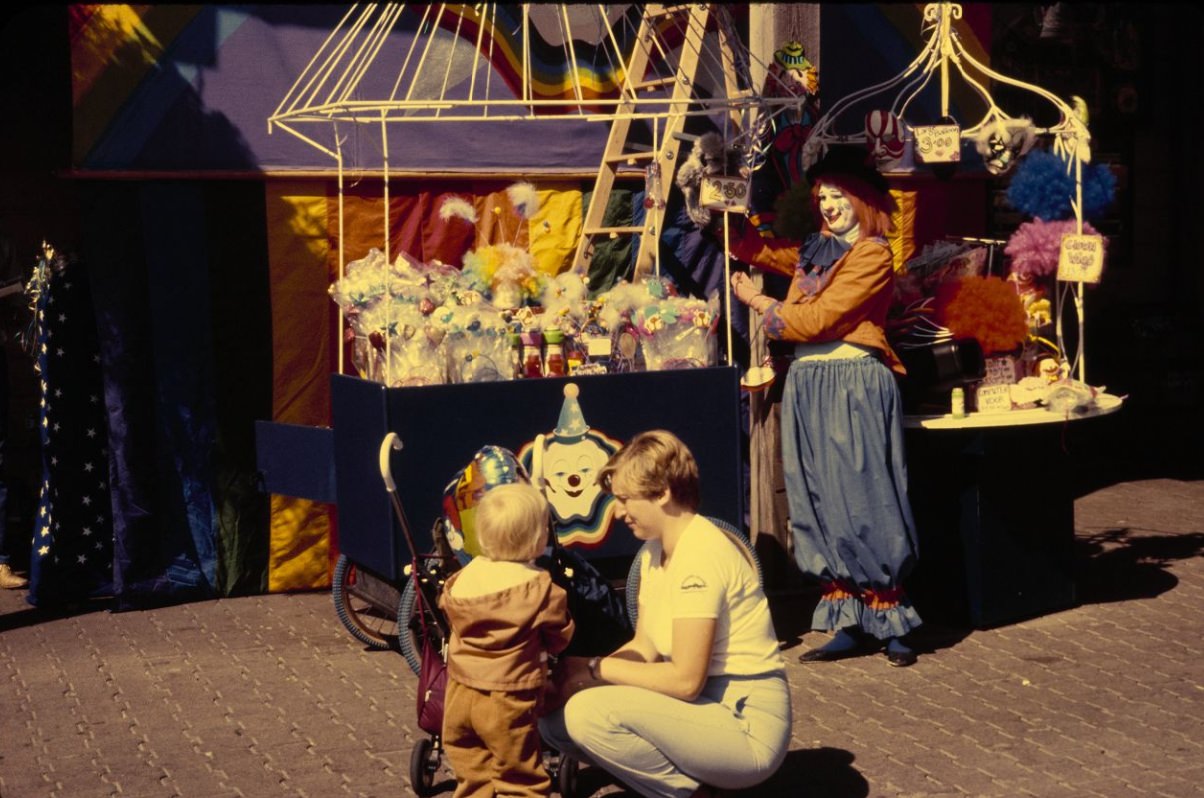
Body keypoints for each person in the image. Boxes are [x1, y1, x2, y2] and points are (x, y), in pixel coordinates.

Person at [728, 145, 923, 668]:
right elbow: (759, 250)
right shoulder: (816, 249)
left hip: (852, 379)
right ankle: (849, 618)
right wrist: (717, 209)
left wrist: (761, 303)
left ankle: (892, 615)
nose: (830, 205)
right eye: (822, 197)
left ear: (863, 200)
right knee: (820, 499)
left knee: (866, 495)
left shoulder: (873, 254)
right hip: (808, 383)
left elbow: (818, 321)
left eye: (839, 195)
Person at [539, 430, 790, 798]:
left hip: (746, 722)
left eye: (625, 499)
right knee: (555, 722)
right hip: (706, 706)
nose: (619, 511)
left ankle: (688, 793)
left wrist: (592, 669)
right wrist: (573, 681)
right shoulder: (654, 553)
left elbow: (685, 680)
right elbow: (644, 646)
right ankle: (686, 785)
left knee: (587, 715)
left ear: (663, 493)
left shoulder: (701, 553)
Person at [438, 481, 576, 798]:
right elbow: (558, 634)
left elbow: (449, 612)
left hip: (460, 694)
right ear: (535, 541)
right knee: (520, 778)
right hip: (508, 698)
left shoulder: (464, 577)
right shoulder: (538, 586)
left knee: (473, 774)